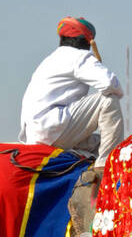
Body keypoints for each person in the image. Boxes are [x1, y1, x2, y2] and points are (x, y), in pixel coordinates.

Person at [19, 17, 123, 173]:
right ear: (88, 43)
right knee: (108, 100)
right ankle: (106, 166)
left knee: (99, 143)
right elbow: (110, 84)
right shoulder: (79, 56)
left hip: (37, 136)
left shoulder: (49, 60)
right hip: (53, 128)